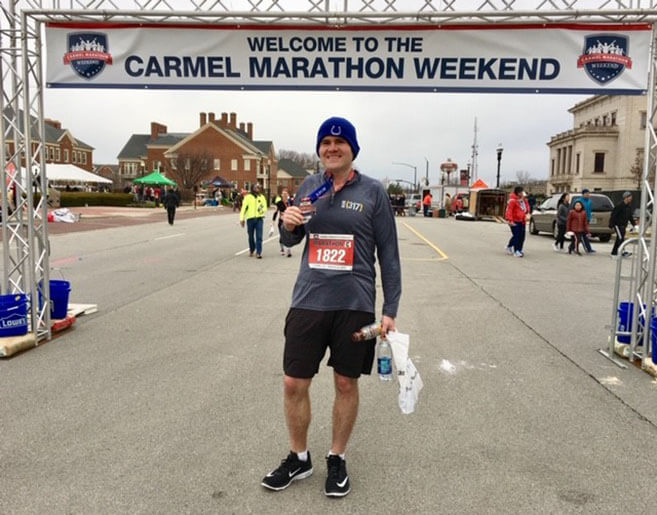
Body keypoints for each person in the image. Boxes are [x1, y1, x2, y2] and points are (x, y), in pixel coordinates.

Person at [260, 116, 401, 498]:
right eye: (326, 142)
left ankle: (336, 457)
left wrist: (391, 308)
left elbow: (388, 252)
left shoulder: (373, 192)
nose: (332, 147)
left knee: (345, 382)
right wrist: (289, 224)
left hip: (354, 303)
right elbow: (292, 237)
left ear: (353, 149)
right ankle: (299, 457)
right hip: (309, 300)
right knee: (293, 383)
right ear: (319, 149)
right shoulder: (309, 186)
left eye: (340, 142)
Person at [240, 183, 267, 258]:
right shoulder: (248, 197)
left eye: (258, 188)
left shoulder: (262, 197)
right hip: (250, 219)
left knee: (259, 236)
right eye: (256, 187)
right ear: (252, 188)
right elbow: (243, 209)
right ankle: (252, 249)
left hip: (259, 219)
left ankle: (259, 252)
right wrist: (242, 219)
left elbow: (264, 207)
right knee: (251, 236)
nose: (257, 189)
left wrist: (261, 209)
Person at [609, 191, 637, 257]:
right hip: (618, 225)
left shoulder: (628, 206)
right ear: (626, 198)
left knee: (619, 238)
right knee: (620, 238)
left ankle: (614, 252)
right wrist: (611, 224)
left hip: (623, 225)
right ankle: (622, 252)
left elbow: (630, 216)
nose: (631, 198)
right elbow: (613, 215)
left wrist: (634, 224)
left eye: (631, 197)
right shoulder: (619, 205)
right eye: (630, 197)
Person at [505, 185, 529, 257]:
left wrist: (525, 201)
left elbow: (527, 210)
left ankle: (518, 249)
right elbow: (509, 211)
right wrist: (510, 220)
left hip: (522, 221)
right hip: (515, 221)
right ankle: (516, 250)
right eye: (522, 192)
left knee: (522, 236)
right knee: (517, 236)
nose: (523, 193)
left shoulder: (522, 201)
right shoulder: (512, 201)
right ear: (518, 193)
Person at [273, 189, 292, 257]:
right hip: (281, 221)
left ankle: (289, 250)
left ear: (288, 195)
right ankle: (282, 249)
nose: (285, 196)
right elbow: (275, 213)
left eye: (286, 194)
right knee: (282, 235)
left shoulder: (290, 203)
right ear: (281, 195)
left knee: (289, 235)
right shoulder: (279, 203)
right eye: (283, 194)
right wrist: (273, 223)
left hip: (289, 221)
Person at [579, 189, 595, 253]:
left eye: (588, 193)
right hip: (581, 220)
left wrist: (590, 217)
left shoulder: (590, 201)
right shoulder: (579, 201)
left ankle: (588, 248)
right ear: (583, 194)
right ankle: (588, 248)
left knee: (585, 234)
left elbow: (589, 210)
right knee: (580, 234)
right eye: (586, 193)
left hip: (587, 219)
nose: (588, 194)